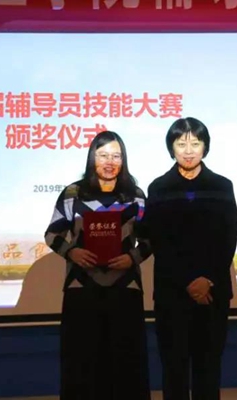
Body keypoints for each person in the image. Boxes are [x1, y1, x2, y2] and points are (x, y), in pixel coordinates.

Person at [44, 130, 152, 400]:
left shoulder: (136, 196)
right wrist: (72, 252)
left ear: (123, 159)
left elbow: (150, 240)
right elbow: (52, 235)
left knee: (126, 364)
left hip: (125, 288)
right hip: (81, 288)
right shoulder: (73, 193)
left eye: (116, 156)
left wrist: (132, 258)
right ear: (92, 158)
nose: (109, 162)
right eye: (103, 155)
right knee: (82, 363)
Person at [145, 117, 237, 400]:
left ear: (205, 147)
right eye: (181, 143)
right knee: (173, 368)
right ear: (171, 147)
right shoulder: (158, 188)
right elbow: (158, 240)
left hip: (212, 292)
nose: (188, 151)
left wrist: (207, 278)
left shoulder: (222, 186)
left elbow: (228, 238)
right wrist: (188, 280)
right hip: (172, 293)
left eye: (195, 143)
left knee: (208, 368)